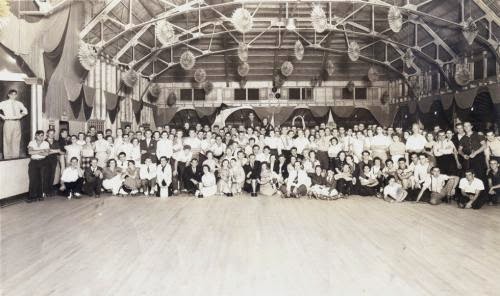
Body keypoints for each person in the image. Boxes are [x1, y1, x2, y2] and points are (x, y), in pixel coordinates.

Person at [0, 89, 29, 159]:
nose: (13, 96)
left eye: (15, 94)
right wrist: (2, 116)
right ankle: (7, 157)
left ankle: (15, 157)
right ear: (8, 95)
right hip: (8, 122)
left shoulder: (19, 103)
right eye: (12, 94)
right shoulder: (3, 103)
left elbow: (26, 111)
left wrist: (20, 115)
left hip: (17, 122)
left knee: (16, 140)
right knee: (7, 140)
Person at [27, 130, 49, 202]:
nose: (41, 137)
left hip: (43, 162)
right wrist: (41, 150)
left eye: (42, 135)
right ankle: (32, 197)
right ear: (35, 136)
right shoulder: (31, 142)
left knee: (41, 179)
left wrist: (35, 151)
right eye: (39, 135)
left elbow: (46, 154)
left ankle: (40, 195)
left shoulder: (46, 143)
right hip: (33, 162)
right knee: (32, 179)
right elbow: (30, 152)